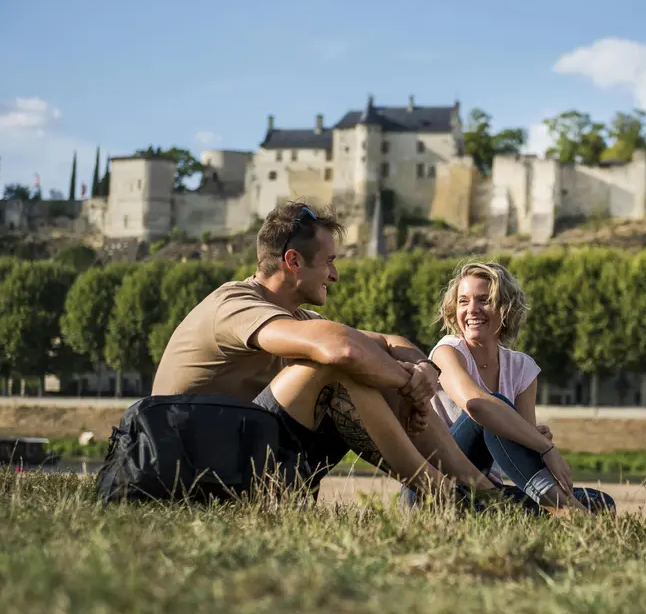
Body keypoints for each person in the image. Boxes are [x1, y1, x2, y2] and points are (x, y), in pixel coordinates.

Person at [151, 201, 526, 511]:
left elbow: (385, 341)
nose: (335, 275)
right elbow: (341, 350)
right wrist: (408, 383)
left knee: (364, 366)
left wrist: (422, 367)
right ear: (293, 261)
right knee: (338, 370)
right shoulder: (235, 304)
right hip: (187, 474)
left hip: (237, 461)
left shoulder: (297, 319)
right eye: (328, 262)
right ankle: (449, 498)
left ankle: (483, 493)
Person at [402, 261, 615, 514]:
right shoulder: (447, 351)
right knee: (493, 408)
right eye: (463, 301)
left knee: (600, 502)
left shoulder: (522, 368)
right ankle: (567, 512)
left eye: (484, 300)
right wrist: (545, 446)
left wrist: (534, 438)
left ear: (506, 308)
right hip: (432, 484)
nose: (472, 310)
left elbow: (522, 450)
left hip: (484, 488)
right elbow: (476, 405)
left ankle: (531, 509)